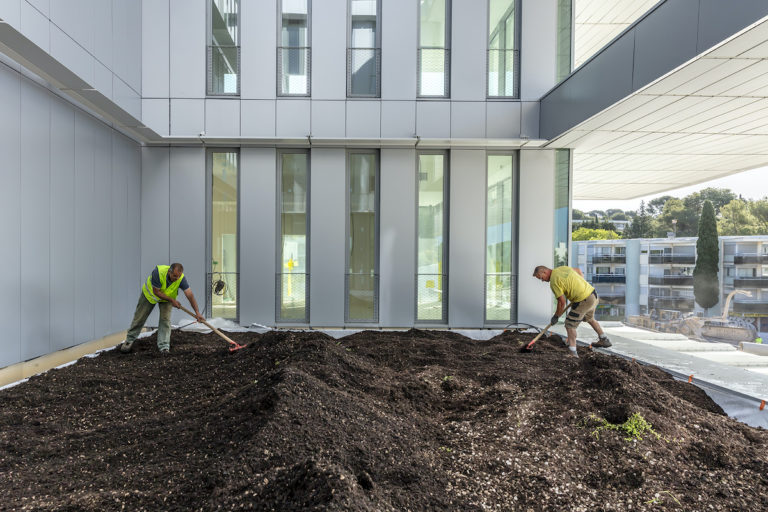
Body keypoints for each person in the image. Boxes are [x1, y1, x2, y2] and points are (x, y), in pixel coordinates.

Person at [120, 263, 204, 354]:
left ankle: (164, 346)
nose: (176, 278)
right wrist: (172, 300)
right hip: (150, 296)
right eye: (174, 276)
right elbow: (156, 292)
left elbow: (190, 295)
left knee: (165, 320)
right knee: (140, 317)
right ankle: (129, 340)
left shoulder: (181, 279)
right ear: (169, 272)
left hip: (167, 299)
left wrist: (197, 312)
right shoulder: (158, 273)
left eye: (178, 276)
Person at [533, 265, 611, 358]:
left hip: (583, 300)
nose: (542, 280)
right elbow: (578, 271)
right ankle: (604, 339)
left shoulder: (554, 282)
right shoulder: (562, 268)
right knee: (589, 318)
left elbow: (562, 302)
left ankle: (572, 352)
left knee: (570, 324)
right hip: (592, 294)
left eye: (541, 278)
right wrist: (579, 287)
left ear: (545, 272)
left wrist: (556, 316)